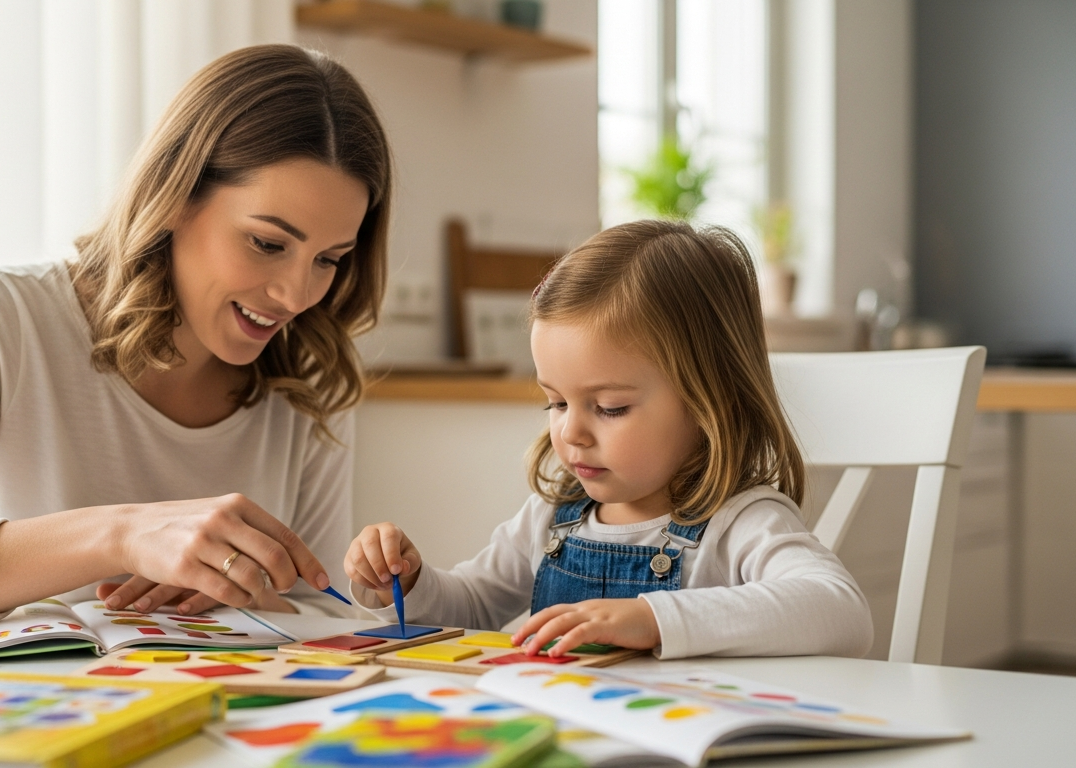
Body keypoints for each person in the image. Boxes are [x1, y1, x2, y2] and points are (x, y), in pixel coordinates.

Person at [0, 44, 392, 635]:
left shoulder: (311, 372)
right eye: (267, 243)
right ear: (175, 198)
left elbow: (319, 607)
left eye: (330, 259)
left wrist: (236, 590)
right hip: (26, 714)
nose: (295, 296)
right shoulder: (3, 316)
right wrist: (126, 537)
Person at [345, 220, 874, 659]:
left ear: (710, 400)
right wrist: (407, 584)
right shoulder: (551, 517)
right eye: (555, 402)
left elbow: (839, 610)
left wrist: (654, 617)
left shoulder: (741, 522)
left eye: (609, 408)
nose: (570, 432)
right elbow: (468, 606)